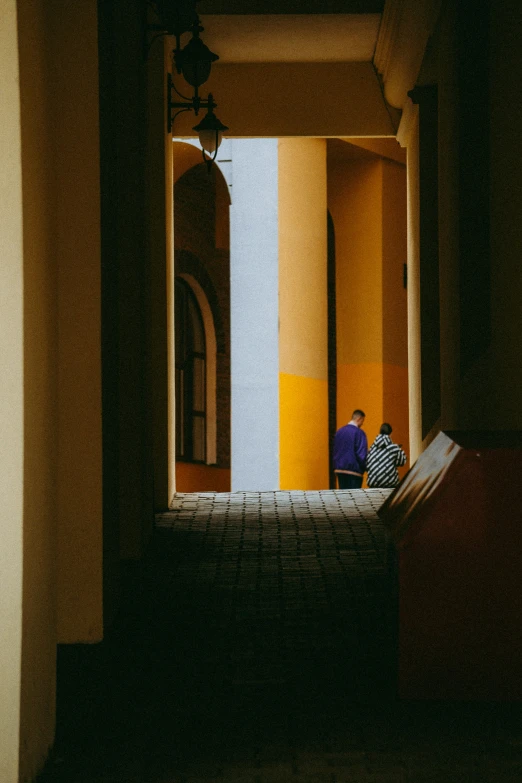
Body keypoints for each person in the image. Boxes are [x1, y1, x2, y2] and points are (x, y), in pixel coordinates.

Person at [333, 409, 368, 489]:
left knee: (343, 497)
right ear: (359, 419)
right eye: (362, 421)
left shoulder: (339, 432)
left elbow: (335, 449)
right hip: (354, 471)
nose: (362, 424)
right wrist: (366, 467)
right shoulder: (359, 433)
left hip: (339, 469)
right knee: (353, 498)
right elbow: (361, 453)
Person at [366, 423, 407, 489]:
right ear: (390, 434)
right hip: (389, 483)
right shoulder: (393, 448)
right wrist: (399, 450)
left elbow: (367, 465)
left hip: (373, 483)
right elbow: (403, 461)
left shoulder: (371, 449)